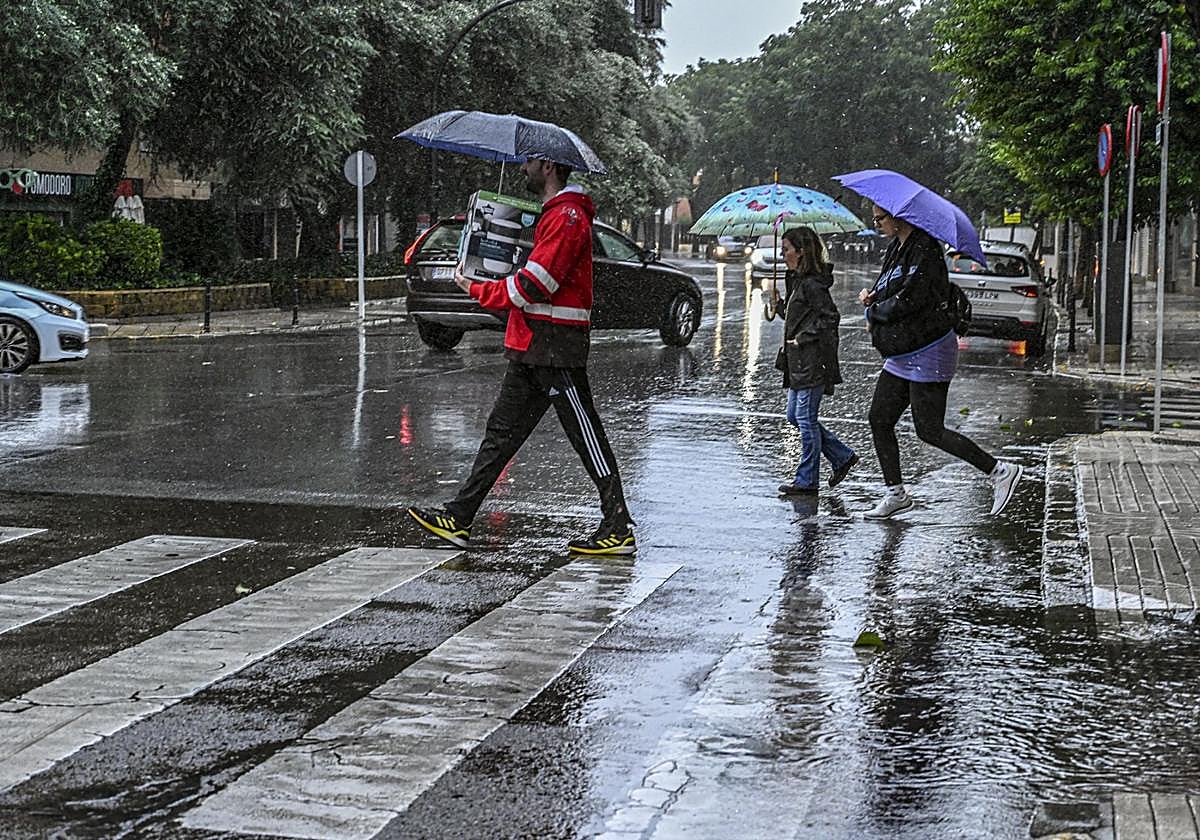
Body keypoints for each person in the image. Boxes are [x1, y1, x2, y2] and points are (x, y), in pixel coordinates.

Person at [408, 157, 635, 555]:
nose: (522, 168)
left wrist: (479, 289)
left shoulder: (567, 217)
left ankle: (618, 526)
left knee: (586, 436)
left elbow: (535, 284)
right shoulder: (552, 215)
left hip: (555, 347)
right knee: (500, 435)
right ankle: (460, 517)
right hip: (531, 343)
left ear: (547, 166)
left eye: (529, 161)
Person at [858, 204, 1022, 520]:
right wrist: (873, 297)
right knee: (880, 418)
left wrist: (873, 313)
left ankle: (1000, 471)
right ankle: (896, 494)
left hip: (929, 347)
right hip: (904, 348)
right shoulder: (896, 248)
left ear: (898, 216)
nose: (876, 224)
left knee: (929, 430)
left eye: (880, 218)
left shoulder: (926, 250)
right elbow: (891, 287)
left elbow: (912, 298)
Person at [775, 226, 858, 495]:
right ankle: (842, 456)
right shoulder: (797, 281)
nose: (782, 254)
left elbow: (830, 318)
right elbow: (800, 316)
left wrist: (803, 338)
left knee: (805, 419)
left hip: (812, 361)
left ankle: (807, 481)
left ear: (801, 252)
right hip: (798, 362)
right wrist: (779, 306)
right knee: (795, 416)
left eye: (786, 249)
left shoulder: (812, 284)